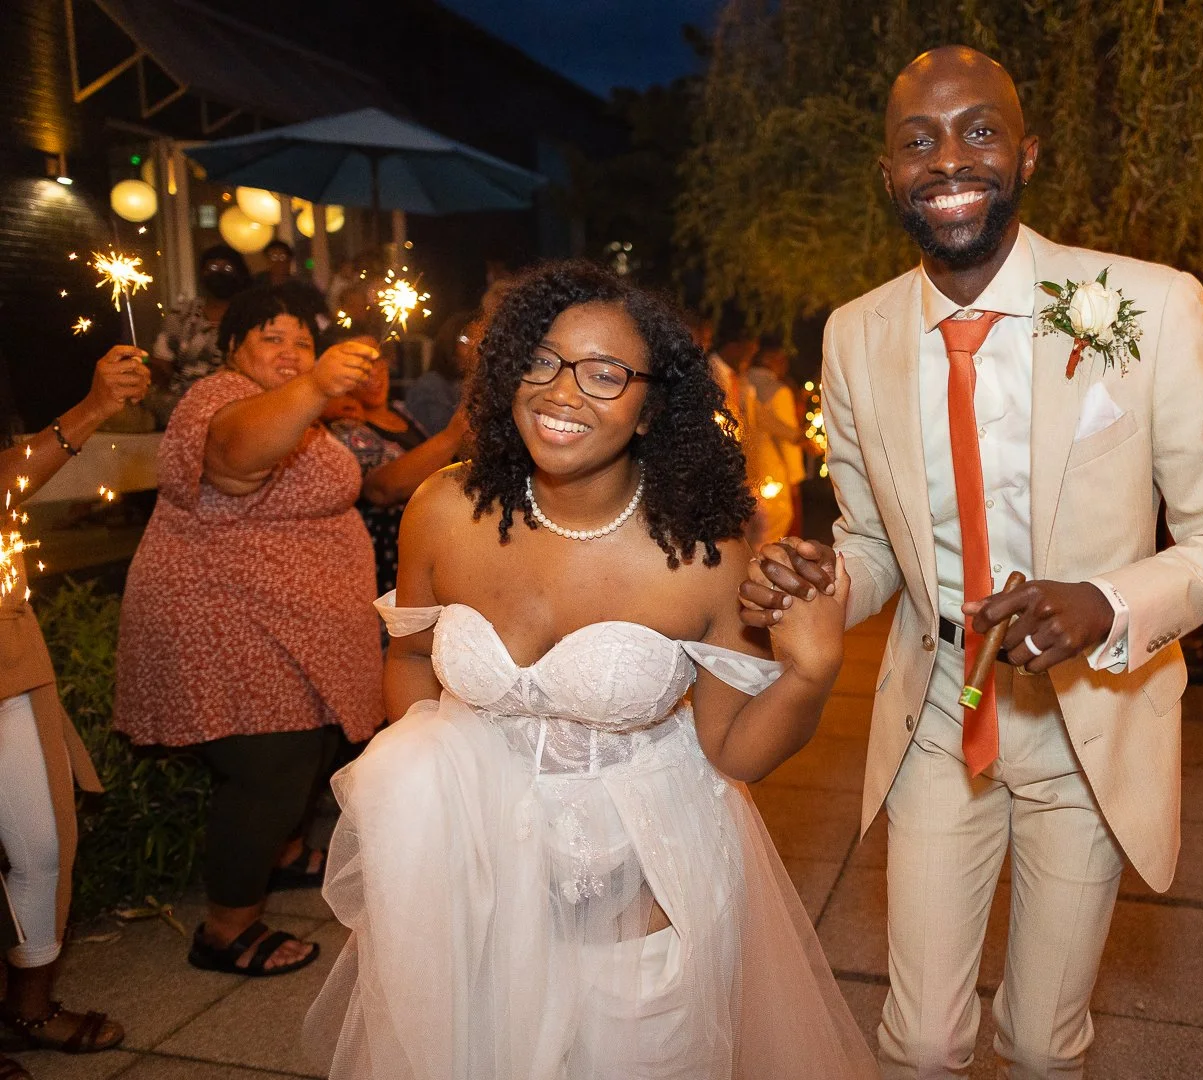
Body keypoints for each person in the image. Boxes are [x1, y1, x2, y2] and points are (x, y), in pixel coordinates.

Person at [740, 47, 1203, 1077]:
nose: (950, 159)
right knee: (923, 1041)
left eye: (979, 130)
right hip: (938, 711)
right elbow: (872, 545)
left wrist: (1107, 601)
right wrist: (819, 582)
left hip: (1090, 719)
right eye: (919, 141)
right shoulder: (854, 336)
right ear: (888, 174)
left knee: (1040, 1043)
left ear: (1027, 154)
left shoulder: (1150, 305)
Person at [303, 262, 878, 1079]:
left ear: (651, 408)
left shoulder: (702, 555)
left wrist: (811, 674)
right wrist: (439, 790)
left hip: (635, 885)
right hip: (467, 878)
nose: (561, 392)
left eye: (605, 373)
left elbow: (735, 752)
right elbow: (412, 657)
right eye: (541, 361)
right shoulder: (444, 508)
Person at [114, 284, 383, 978]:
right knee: (270, 762)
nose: (291, 352)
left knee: (311, 744)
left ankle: (282, 854)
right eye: (272, 337)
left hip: (290, 623)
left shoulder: (300, 410)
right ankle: (225, 928)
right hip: (230, 617)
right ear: (234, 348)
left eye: (303, 341)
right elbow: (235, 462)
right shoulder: (219, 398)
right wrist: (316, 383)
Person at [0, 347, 148, 1076]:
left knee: (43, 844)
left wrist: (95, 407)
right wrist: (91, 409)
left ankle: (28, 1008)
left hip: (7, 649)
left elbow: (7, 479)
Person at [328, 324, 469, 596]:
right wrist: (453, 434)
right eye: (359, 364)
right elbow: (381, 489)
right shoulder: (342, 427)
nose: (372, 371)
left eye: (377, 359)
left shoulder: (402, 411)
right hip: (388, 566)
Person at [148, 245, 251, 426]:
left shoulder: (251, 315)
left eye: (227, 268)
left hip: (235, 405)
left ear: (239, 273)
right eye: (213, 268)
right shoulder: (182, 314)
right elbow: (161, 360)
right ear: (202, 274)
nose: (219, 274)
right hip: (181, 403)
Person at [742, 333, 806, 546]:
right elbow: (787, 443)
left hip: (747, 466)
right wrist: (795, 478)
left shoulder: (743, 381)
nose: (784, 365)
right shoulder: (779, 391)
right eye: (781, 359)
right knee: (772, 527)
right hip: (772, 469)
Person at [406, 311, 479, 436]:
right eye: (467, 339)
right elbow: (441, 438)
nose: (476, 346)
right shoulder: (430, 387)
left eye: (483, 339)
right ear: (450, 342)